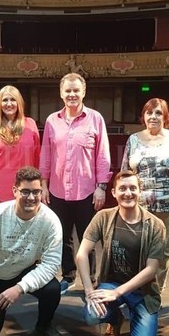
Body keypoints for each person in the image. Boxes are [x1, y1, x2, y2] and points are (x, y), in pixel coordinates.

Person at [76, 171, 166, 336]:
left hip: (142, 291)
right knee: (91, 314)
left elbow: (151, 270)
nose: (128, 193)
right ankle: (116, 319)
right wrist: (89, 292)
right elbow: (82, 254)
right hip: (112, 283)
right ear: (114, 192)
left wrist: (118, 293)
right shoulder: (103, 217)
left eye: (133, 188)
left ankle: (136, 316)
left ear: (140, 191)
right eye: (122, 188)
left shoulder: (156, 225)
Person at [0, 166, 66, 336]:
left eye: (36, 192)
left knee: (52, 289)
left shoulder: (50, 221)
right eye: (25, 191)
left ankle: (43, 326)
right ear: (15, 190)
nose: (31, 197)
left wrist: (19, 288)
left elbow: (51, 264)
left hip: (25, 270)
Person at [39, 73, 111, 294]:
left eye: (76, 90)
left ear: (83, 92)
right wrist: (44, 185)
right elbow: (46, 155)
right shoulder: (52, 121)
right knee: (62, 238)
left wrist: (101, 187)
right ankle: (68, 276)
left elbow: (102, 155)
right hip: (58, 189)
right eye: (68, 91)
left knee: (88, 238)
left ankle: (91, 279)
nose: (72, 94)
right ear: (61, 93)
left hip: (86, 190)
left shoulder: (95, 119)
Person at [121, 98, 169, 290]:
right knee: (138, 248)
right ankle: (136, 289)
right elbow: (125, 173)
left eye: (158, 113)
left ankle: (155, 291)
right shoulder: (133, 139)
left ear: (165, 117)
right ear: (143, 116)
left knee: (163, 250)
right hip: (139, 206)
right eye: (149, 112)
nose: (153, 116)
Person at [0, 85, 40, 208]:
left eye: (13, 100)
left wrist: (37, 186)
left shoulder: (30, 124)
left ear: (19, 103)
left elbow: (37, 157)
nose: (9, 104)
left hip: (25, 188)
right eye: (5, 100)